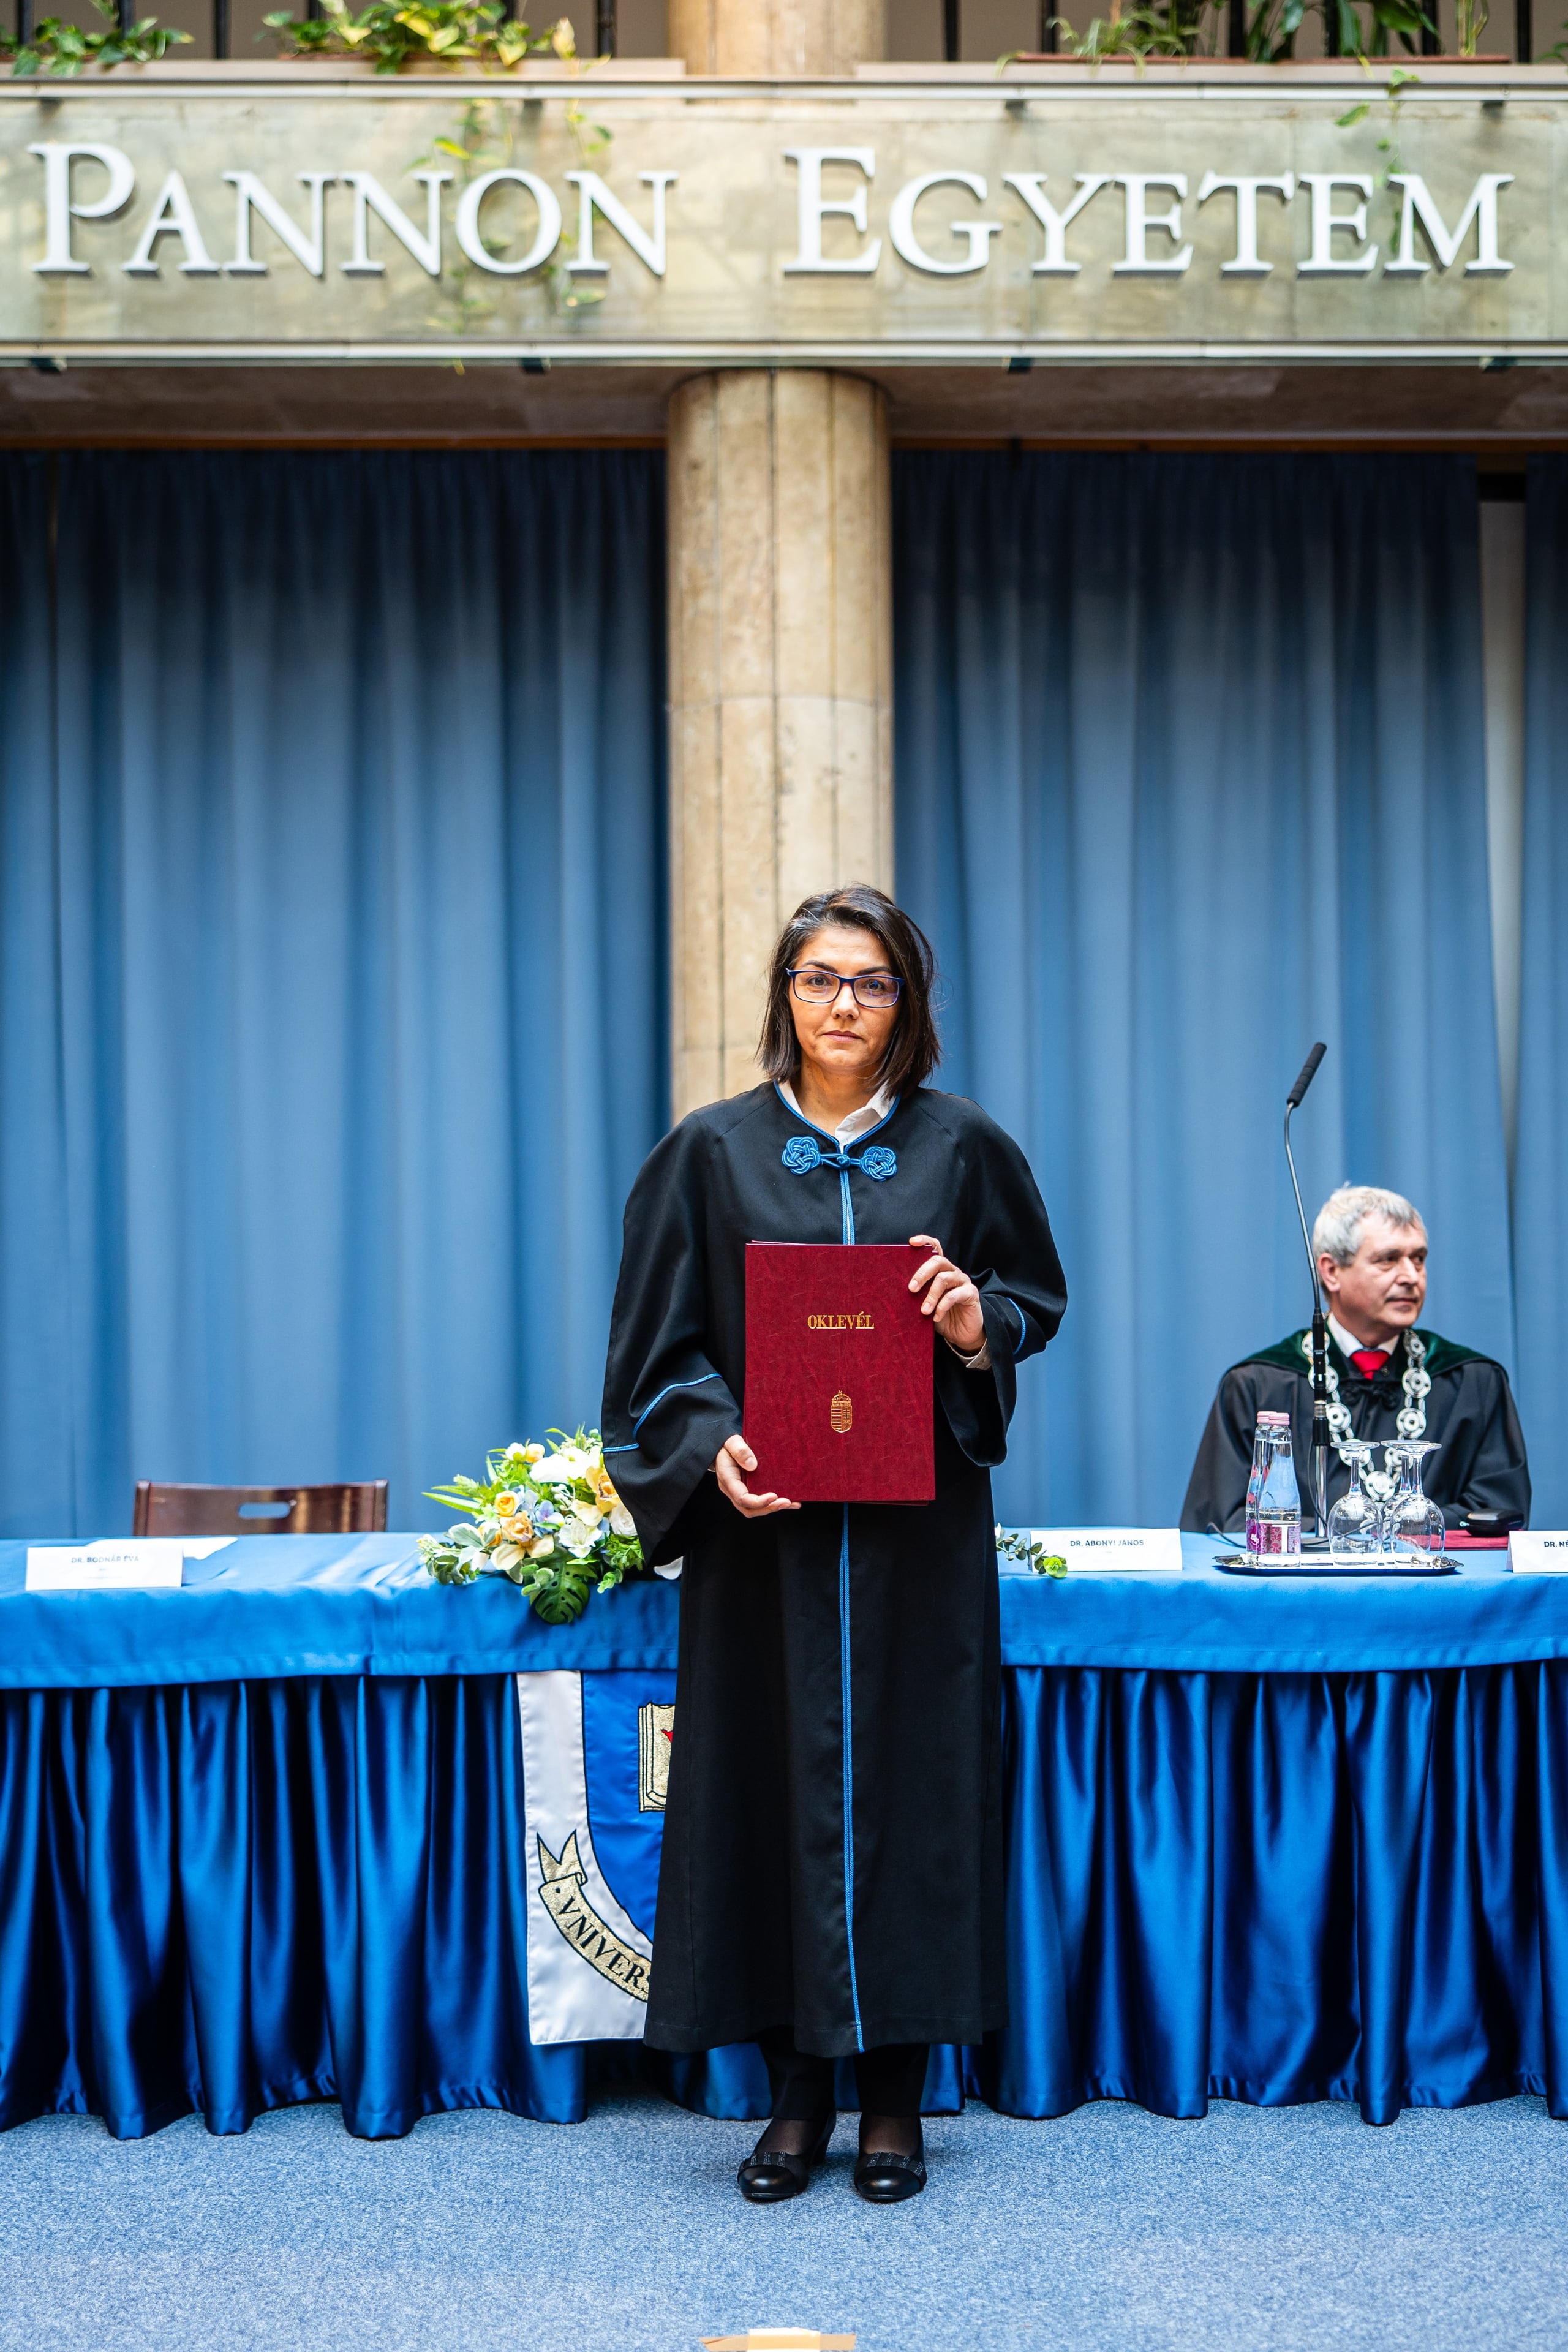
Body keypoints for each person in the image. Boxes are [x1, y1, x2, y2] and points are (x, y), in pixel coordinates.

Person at [600, 884, 1065, 2206]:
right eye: (819, 979)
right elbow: (653, 1356)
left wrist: (974, 1326)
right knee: (767, 1794)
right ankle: (795, 2100)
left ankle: (895, 2102)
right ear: (785, 996)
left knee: (917, 1798)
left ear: (907, 1003)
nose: (843, 1004)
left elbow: (1031, 1298)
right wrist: (712, 1448)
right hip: (770, 1552)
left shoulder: (963, 1147)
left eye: (871, 982)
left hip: (920, 1548)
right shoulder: (710, 1153)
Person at [1182, 1184, 1529, 1534]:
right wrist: (1355, 1534)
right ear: (1332, 1271)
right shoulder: (1259, 1385)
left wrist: (1383, 1530)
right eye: (1388, 1259)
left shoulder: (1472, 1381)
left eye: (1419, 1259)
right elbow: (1224, 1520)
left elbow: (1497, 1511)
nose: (1411, 1277)